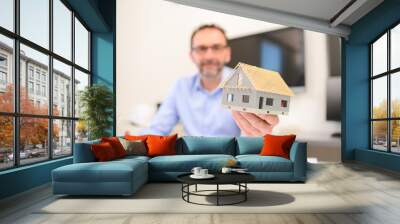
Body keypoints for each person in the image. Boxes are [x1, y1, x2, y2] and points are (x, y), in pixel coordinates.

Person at [142, 24, 279, 137]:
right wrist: (133, 143)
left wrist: (262, 130)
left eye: (216, 47)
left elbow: (258, 131)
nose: (209, 55)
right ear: (192, 56)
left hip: (230, 162)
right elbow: (157, 129)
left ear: (227, 53)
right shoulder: (180, 86)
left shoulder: (246, 84)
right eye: (201, 48)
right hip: (192, 164)